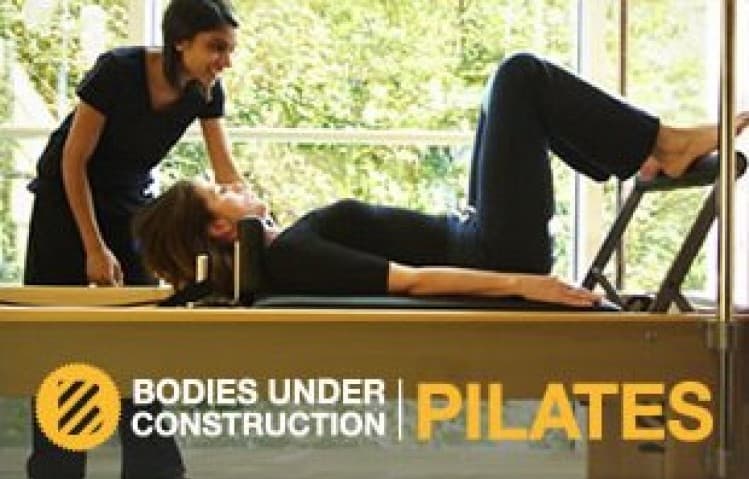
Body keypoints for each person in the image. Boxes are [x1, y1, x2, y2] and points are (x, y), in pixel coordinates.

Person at [132, 53, 749, 307]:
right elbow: (414, 280)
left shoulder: (286, 248)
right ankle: (661, 146)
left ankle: (640, 152)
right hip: (494, 251)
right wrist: (530, 285)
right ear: (221, 227)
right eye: (222, 193)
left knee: (501, 98)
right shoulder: (294, 254)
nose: (235, 186)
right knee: (519, 77)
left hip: (477, 235)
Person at [23, 0, 241, 479]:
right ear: (180, 42)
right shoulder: (118, 71)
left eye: (229, 50)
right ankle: (55, 470)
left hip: (128, 206)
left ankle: (152, 472)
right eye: (216, 48)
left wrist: (260, 224)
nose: (225, 61)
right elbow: (73, 162)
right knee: (61, 336)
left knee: (137, 335)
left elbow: (225, 170)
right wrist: (94, 248)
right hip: (65, 202)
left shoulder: (205, 90)